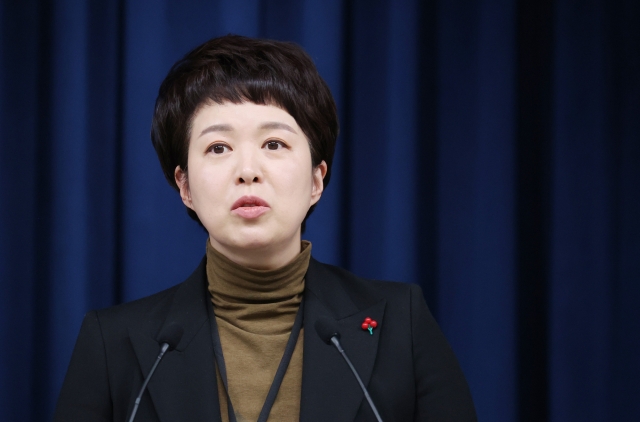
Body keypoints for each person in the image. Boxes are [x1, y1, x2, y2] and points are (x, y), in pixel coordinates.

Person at [55, 35, 477, 422]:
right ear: (184, 186)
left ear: (316, 179)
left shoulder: (399, 324)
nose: (248, 171)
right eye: (218, 147)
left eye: (274, 144)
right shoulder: (113, 345)